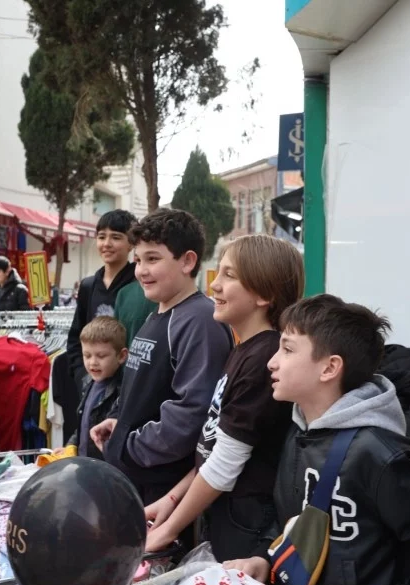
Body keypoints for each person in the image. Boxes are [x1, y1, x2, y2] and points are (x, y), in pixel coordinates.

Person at [226, 294, 410, 585]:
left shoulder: (377, 452)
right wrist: (263, 557)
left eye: (287, 349)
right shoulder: (299, 431)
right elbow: (293, 519)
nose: (272, 362)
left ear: (329, 368)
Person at [143, 235, 304, 561]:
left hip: (247, 530)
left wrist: (169, 529)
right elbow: (211, 449)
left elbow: (224, 465)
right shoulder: (244, 350)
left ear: (265, 294)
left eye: (229, 276)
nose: (215, 285)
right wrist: (171, 501)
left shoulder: (264, 358)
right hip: (222, 519)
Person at [92, 209, 233, 543]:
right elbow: (144, 389)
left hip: (163, 488)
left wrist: (130, 445)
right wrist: (118, 421)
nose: (141, 270)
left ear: (187, 261)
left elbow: (193, 411)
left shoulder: (199, 320)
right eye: (138, 260)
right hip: (136, 477)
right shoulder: (158, 314)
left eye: (152, 259)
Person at [66, 210, 150, 390]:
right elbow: (75, 337)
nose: (107, 244)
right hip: (93, 384)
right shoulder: (88, 286)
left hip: (129, 385)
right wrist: (82, 375)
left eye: (116, 237)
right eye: (101, 237)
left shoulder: (143, 285)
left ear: (131, 244)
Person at [64, 317, 127, 461]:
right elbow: (83, 425)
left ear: (122, 356)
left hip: (103, 470)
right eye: (87, 355)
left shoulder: (122, 390)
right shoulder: (88, 383)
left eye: (101, 356)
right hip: (85, 465)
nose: (93, 362)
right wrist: (70, 447)